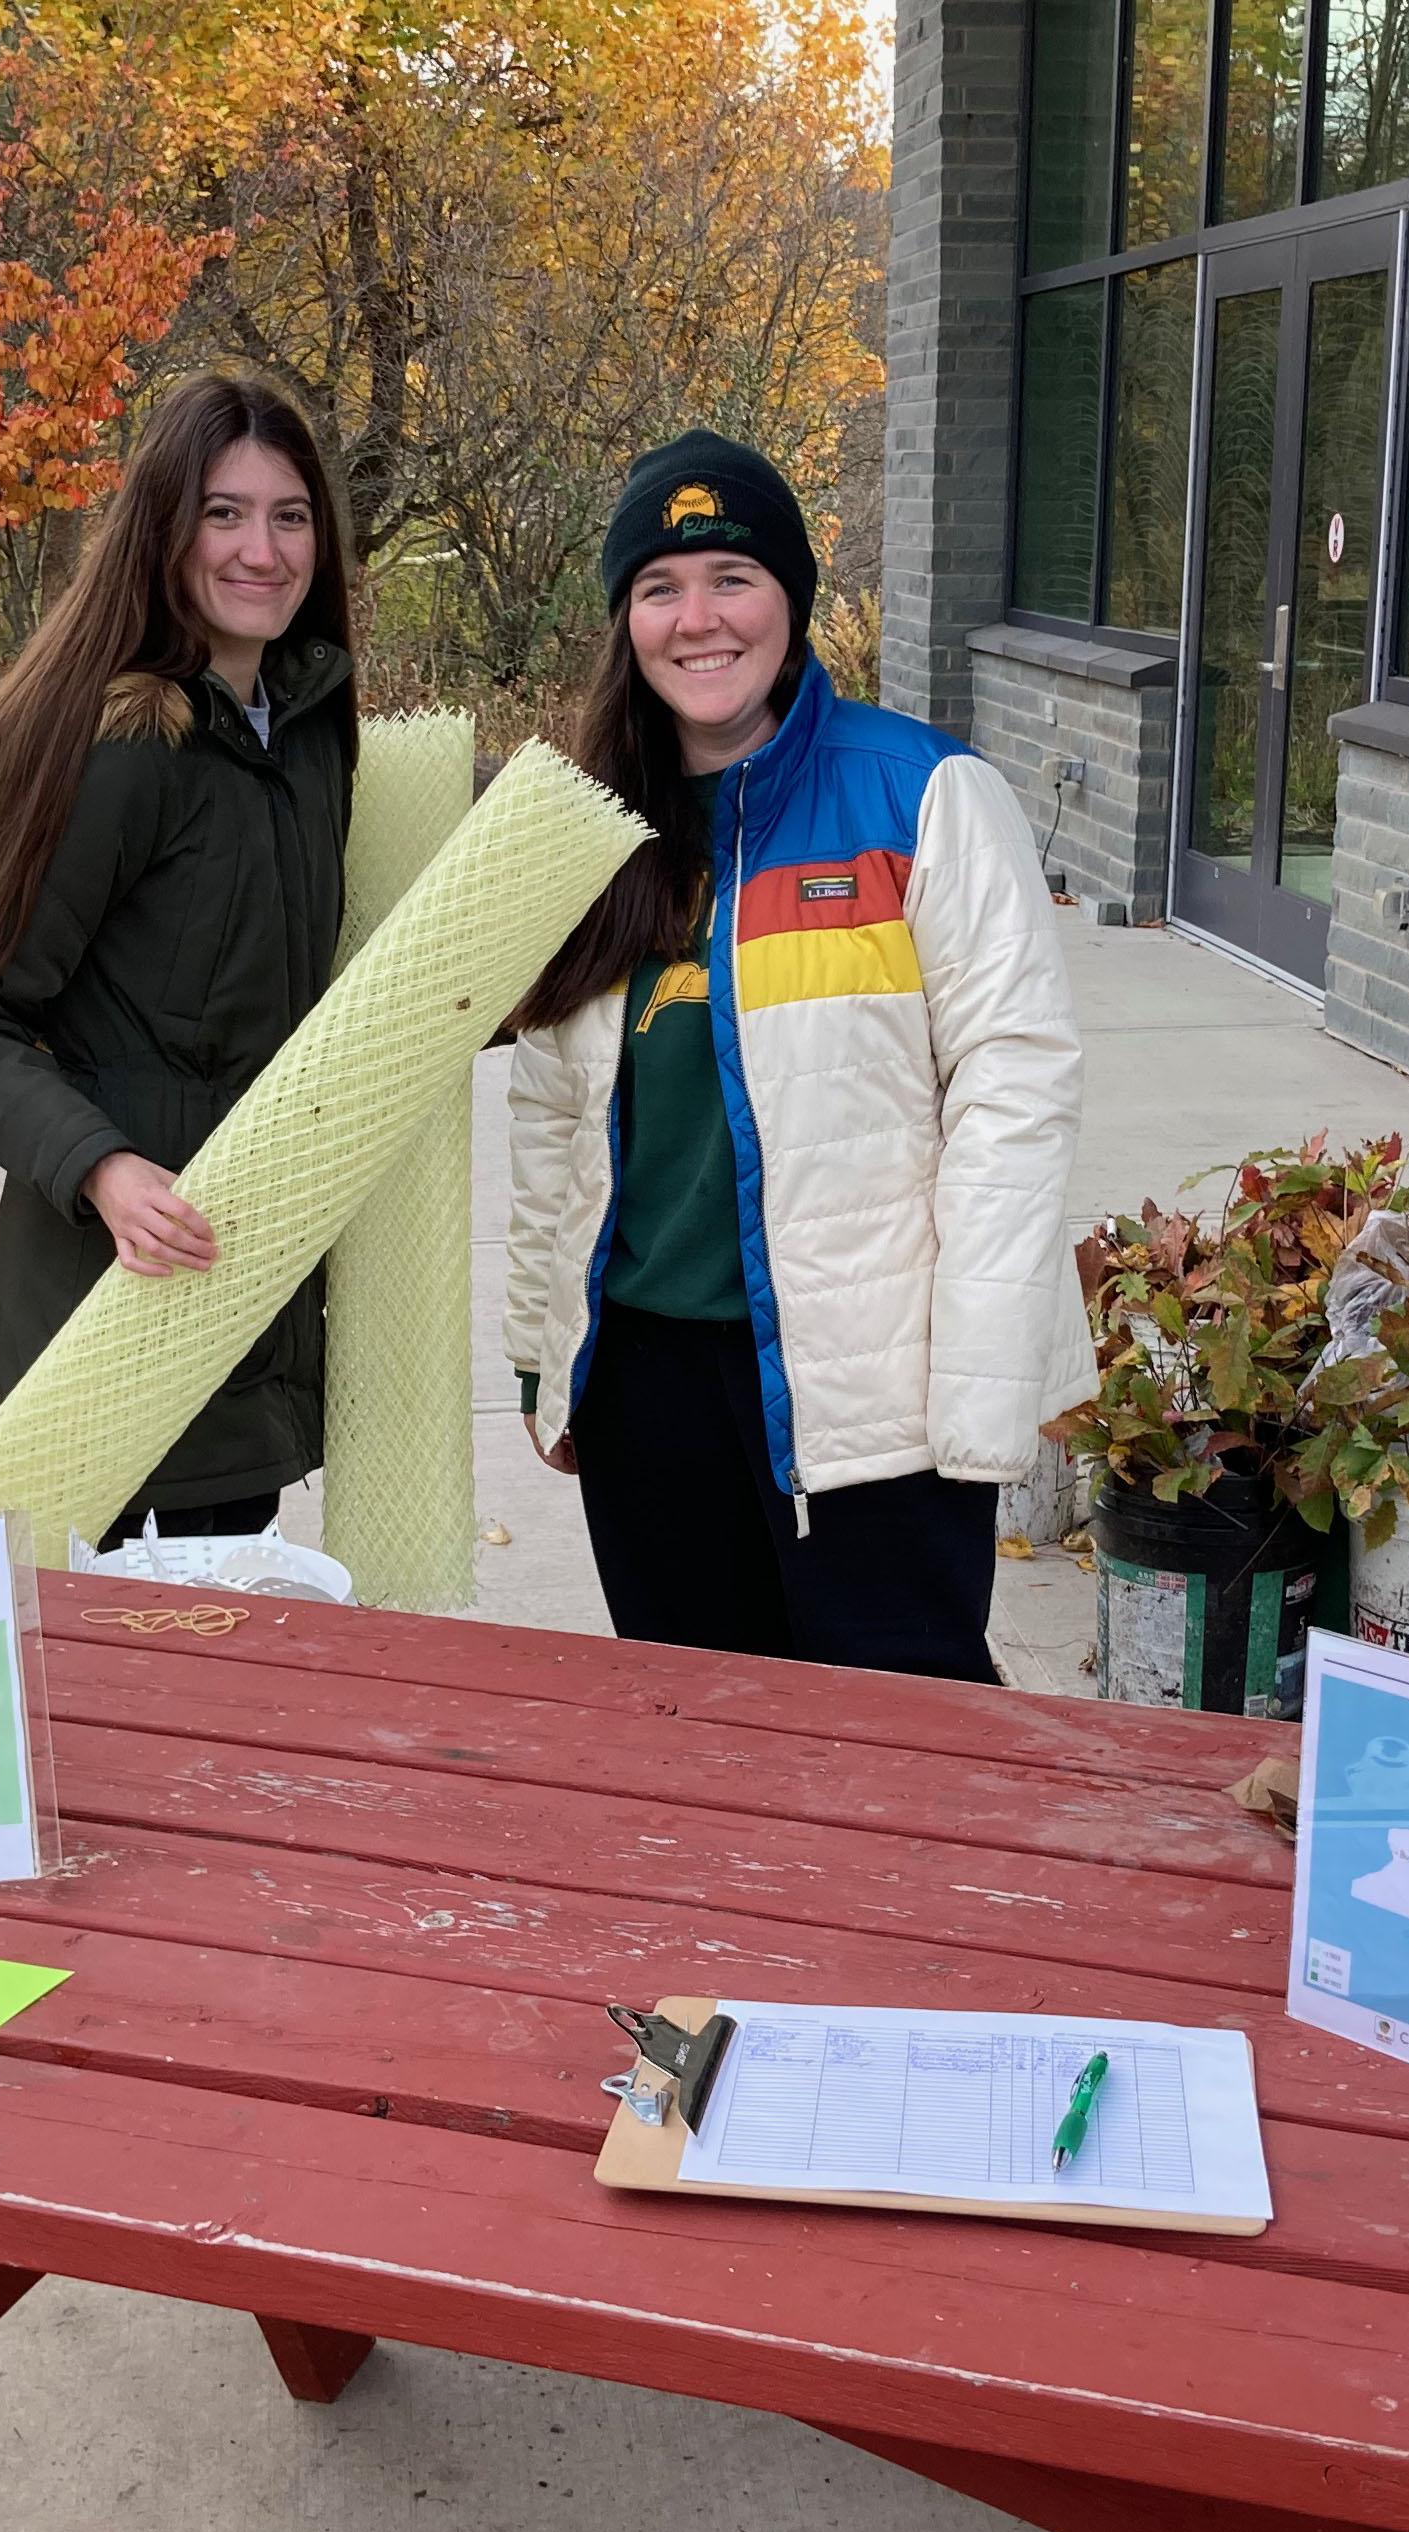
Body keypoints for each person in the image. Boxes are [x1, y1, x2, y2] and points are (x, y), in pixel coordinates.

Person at [502, 431, 1087, 1683]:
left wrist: (976, 1395)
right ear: (625, 620)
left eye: (732, 576)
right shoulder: (581, 830)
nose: (697, 618)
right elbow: (549, 1116)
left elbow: (1014, 1094)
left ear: (791, 597)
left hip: (866, 1397)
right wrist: (546, 1360)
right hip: (649, 1389)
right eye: (659, 586)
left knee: (900, 1758)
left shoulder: (920, 795)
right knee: (701, 1744)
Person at [0, 374, 359, 1543]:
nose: (262, 549)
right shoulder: (122, 748)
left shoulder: (309, 726)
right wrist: (104, 1169)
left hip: (245, 1272)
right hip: (114, 1288)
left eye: (289, 515)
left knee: (222, 1629)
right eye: (222, 513)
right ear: (162, 529)